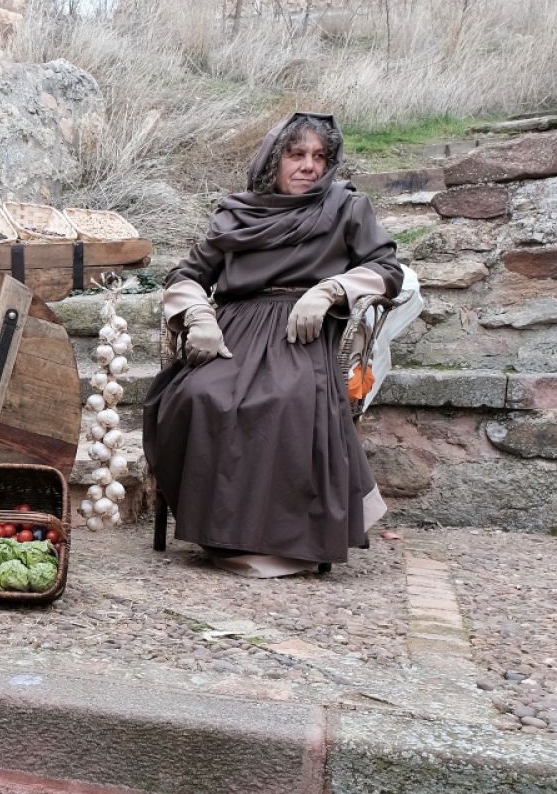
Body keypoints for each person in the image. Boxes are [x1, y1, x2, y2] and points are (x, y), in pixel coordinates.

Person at [144, 112, 401, 578]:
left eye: (319, 156)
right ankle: (217, 533)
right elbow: (187, 274)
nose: (309, 166)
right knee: (198, 395)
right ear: (272, 160)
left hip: (301, 331)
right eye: (296, 154)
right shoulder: (236, 214)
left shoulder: (346, 207)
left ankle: (284, 542)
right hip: (234, 329)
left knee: (286, 400)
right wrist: (199, 316)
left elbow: (386, 269)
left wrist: (331, 290)